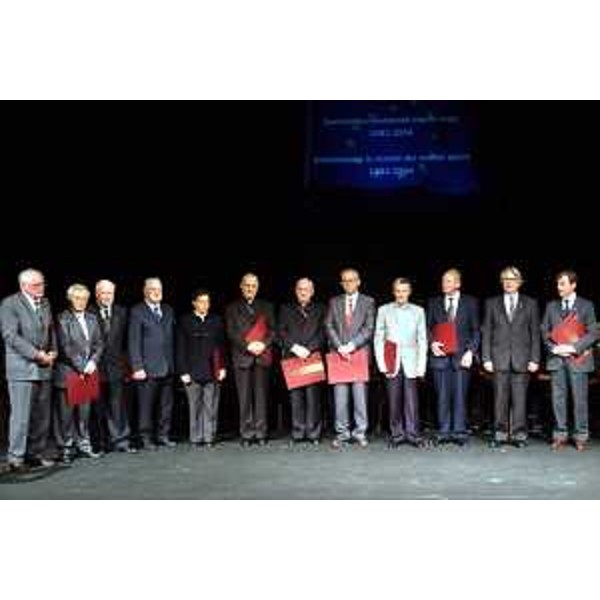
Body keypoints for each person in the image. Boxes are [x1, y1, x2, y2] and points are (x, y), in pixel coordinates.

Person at [0, 268, 57, 471]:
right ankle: (16, 458)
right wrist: (36, 354)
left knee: (41, 416)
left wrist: (53, 351)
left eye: (42, 284)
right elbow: (10, 336)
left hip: (43, 367)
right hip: (22, 369)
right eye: (36, 285)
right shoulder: (10, 304)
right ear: (24, 286)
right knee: (21, 417)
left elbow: (51, 330)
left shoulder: (45, 302)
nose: (41, 288)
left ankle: (36, 453)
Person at [482, 266, 541, 448]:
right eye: (505, 279)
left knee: (520, 400)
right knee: (500, 399)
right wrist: (486, 358)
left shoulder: (530, 303)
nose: (508, 282)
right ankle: (499, 434)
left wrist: (535, 359)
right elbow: (487, 332)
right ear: (502, 282)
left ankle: (519, 435)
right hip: (499, 359)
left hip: (522, 360)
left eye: (512, 279)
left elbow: (535, 334)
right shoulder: (491, 303)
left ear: (519, 282)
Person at [541, 270, 597, 451]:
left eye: (563, 284)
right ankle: (560, 435)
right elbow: (544, 331)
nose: (559, 287)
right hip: (557, 359)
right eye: (558, 284)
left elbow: (593, 332)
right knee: (558, 399)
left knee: (579, 399)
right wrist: (554, 348)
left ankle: (581, 435)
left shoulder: (586, 306)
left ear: (573, 285)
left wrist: (573, 348)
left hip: (578, 359)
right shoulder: (551, 306)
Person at [427, 268, 480, 447]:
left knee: (459, 395)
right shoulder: (434, 303)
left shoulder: (470, 303)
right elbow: (427, 329)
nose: (444, 284)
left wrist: (470, 352)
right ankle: (443, 431)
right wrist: (432, 343)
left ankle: (458, 432)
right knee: (442, 395)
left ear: (458, 284)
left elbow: (476, 330)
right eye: (443, 281)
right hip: (440, 358)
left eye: (449, 281)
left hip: (461, 357)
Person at [53, 284, 104, 463]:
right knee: (66, 415)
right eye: (77, 298)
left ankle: (84, 445)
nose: (81, 302)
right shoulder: (62, 318)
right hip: (69, 373)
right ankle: (66, 449)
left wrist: (92, 363)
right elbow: (65, 347)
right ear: (70, 299)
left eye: (84, 298)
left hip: (88, 373)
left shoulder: (92, 318)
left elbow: (99, 344)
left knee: (84, 413)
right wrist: (82, 367)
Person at [325, 268, 376, 448]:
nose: (348, 283)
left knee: (360, 397)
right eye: (345, 281)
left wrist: (351, 345)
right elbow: (328, 325)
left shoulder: (368, 302)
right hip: (339, 355)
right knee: (340, 398)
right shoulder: (334, 301)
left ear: (359, 281)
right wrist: (339, 346)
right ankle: (342, 433)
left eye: (352, 280)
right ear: (341, 283)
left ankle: (360, 432)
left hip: (359, 354)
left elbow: (369, 329)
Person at [374, 278, 427, 448]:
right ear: (393, 291)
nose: (401, 294)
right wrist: (382, 364)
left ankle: (412, 435)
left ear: (409, 292)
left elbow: (422, 340)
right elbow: (378, 338)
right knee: (393, 400)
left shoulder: (419, 311)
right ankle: (397, 435)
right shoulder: (384, 310)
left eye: (404, 290)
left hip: (411, 361)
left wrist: (421, 366)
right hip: (391, 360)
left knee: (412, 401)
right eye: (398, 290)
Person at [226, 273, 275, 447]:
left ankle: (261, 433)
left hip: (262, 356)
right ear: (241, 286)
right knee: (244, 398)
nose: (250, 288)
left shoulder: (267, 306)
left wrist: (262, 344)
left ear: (258, 287)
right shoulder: (232, 308)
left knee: (261, 397)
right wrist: (248, 346)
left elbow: (272, 331)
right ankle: (247, 433)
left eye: (253, 285)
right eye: (247, 285)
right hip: (243, 357)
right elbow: (231, 333)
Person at [128, 278, 176, 450]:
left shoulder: (168, 310)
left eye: (159, 289)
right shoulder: (137, 311)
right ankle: (146, 437)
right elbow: (133, 341)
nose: (157, 292)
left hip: (168, 366)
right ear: (145, 291)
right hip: (147, 368)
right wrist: (137, 367)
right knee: (146, 406)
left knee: (166, 405)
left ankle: (163, 435)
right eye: (153, 289)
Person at [278, 278, 326, 446]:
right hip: (293, 357)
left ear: (312, 292)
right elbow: (280, 332)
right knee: (296, 397)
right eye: (300, 289)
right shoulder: (286, 309)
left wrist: (310, 348)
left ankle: (314, 433)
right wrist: (294, 347)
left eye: (306, 289)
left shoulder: (321, 309)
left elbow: (323, 332)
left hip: (312, 357)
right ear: (295, 291)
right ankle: (298, 432)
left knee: (313, 397)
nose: (303, 292)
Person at [177, 288, 226, 448]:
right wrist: (183, 371)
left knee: (211, 406)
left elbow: (222, 346)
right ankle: (196, 437)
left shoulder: (216, 320)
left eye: (207, 302)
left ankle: (209, 437)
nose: (205, 305)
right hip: (192, 371)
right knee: (194, 406)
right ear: (194, 303)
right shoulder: (185, 321)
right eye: (202, 301)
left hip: (212, 369)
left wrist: (222, 367)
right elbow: (180, 348)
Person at [90, 279, 133, 453]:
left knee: (118, 406)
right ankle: (100, 443)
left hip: (116, 368)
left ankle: (121, 441)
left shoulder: (122, 312)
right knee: (98, 408)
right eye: (104, 293)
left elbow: (127, 342)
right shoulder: (89, 312)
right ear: (97, 294)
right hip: (95, 367)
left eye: (110, 293)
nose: (107, 296)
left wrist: (128, 366)